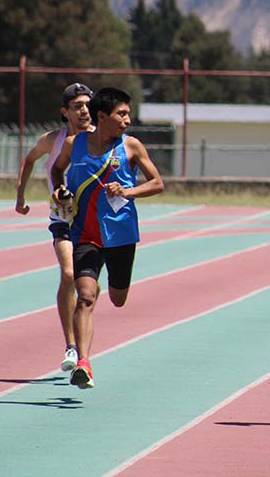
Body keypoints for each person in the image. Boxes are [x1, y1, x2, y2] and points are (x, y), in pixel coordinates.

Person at [50, 87, 164, 389]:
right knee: (85, 296)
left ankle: (104, 284)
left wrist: (128, 191)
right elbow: (57, 171)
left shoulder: (131, 147)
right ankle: (84, 364)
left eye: (128, 114)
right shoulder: (74, 145)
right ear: (103, 117)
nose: (127, 120)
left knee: (117, 299)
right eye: (122, 114)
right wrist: (60, 190)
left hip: (122, 235)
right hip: (85, 234)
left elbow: (157, 183)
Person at [15, 82, 94, 373]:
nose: (84, 110)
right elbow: (29, 159)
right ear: (65, 112)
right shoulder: (53, 140)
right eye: (77, 106)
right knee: (68, 273)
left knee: (89, 289)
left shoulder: (99, 140)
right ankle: (71, 346)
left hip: (91, 224)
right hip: (62, 220)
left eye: (87, 105)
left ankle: (82, 342)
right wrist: (20, 195)